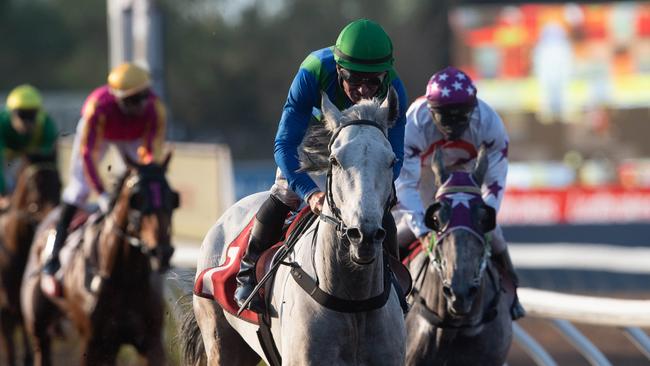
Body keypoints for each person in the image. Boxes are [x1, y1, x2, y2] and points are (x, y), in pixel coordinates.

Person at [234, 19, 408, 312]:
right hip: (314, 135)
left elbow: (395, 155)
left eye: (372, 82)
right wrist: (309, 193)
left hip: (364, 150)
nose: (364, 90)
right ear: (339, 70)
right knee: (285, 192)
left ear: (385, 75)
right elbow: (284, 145)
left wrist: (376, 189)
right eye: (354, 79)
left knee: (379, 207)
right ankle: (248, 272)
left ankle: (393, 281)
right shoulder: (314, 69)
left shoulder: (395, 89)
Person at [394, 66, 525, 320]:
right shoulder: (413, 123)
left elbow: (495, 183)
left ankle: (512, 292)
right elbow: (406, 186)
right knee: (403, 232)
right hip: (426, 177)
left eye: (461, 117)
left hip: (467, 177)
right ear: (431, 112)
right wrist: (423, 230)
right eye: (445, 118)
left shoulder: (489, 123)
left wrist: (483, 219)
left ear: (473, 109)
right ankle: (389, 291)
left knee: (493, 232)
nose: (453, 126)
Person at [41, 62, 166, 295]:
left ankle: (154, 250)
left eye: (144, 97)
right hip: (101, 135)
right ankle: (53, 259)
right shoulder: (97, 107)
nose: (142, 104)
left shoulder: (154, 109)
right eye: (134, 100)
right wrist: (102, 194)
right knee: (77, 191)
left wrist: (145, 172)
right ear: (119, 99)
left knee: (148, 185)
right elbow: (88, 157)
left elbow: (151, 154)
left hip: (132, 138)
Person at [0, 84, 58, 206]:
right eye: (22, 115)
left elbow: (50, 163)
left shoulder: (46, 125)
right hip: (6, 158)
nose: (26, 122)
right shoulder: (2, 123)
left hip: (29, 158)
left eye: (31, 115)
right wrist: (3, 193)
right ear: (11, 113)